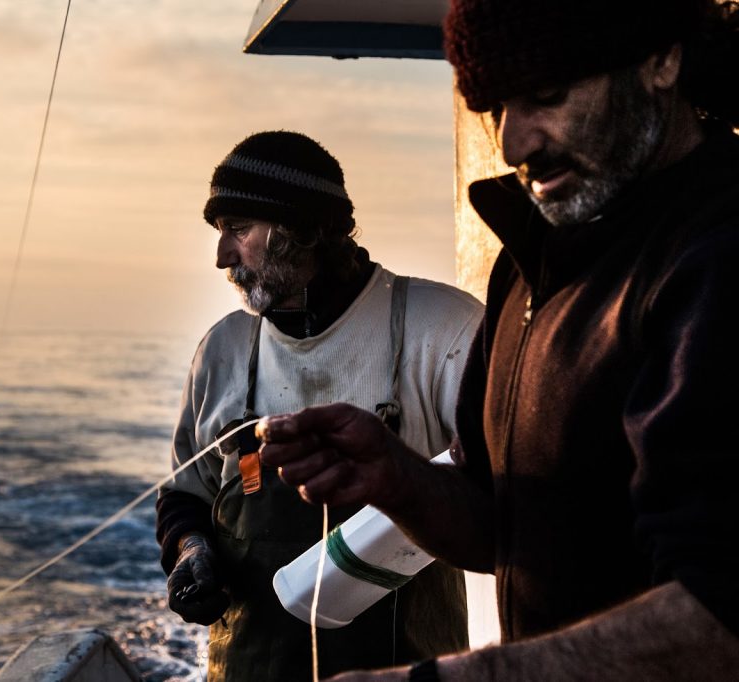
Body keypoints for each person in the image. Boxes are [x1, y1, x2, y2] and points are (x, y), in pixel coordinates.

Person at [258, 0, 739, 679]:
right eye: (492, 108)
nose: (514, 144)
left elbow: (722, 621)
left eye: (547, 96)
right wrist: (396, 477)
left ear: (661, 59)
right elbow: (503, 529)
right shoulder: (529, 266)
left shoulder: (718, 255)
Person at [155, 131, 483, 681]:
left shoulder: (443, 328)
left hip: (405, 668)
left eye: (239, 229)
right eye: (218, 232)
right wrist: (191, 553)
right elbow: (186, 495)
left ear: (304, 229)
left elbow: (501, 486)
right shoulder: (223, 349)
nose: (221, 256)